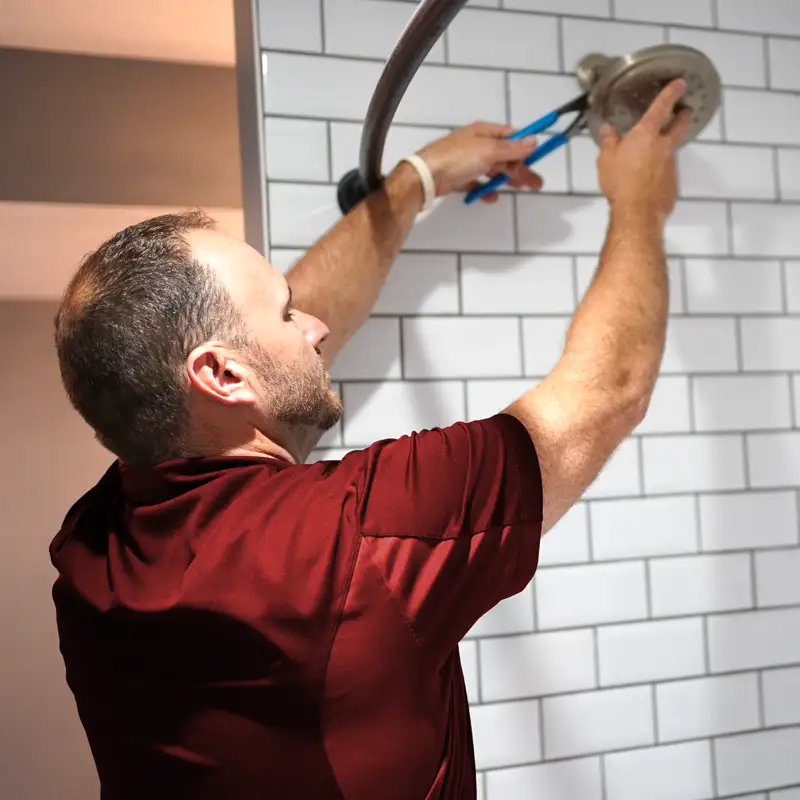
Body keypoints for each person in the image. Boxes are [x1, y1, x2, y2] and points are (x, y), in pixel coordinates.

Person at [50, 79, 691, 800]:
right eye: (289, 314)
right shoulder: (358, 536)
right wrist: (641, 201)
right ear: (222, 375)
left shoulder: (90, 550)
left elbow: (256, 355)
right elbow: (606, 393)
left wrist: (419, 179)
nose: (315, 326)